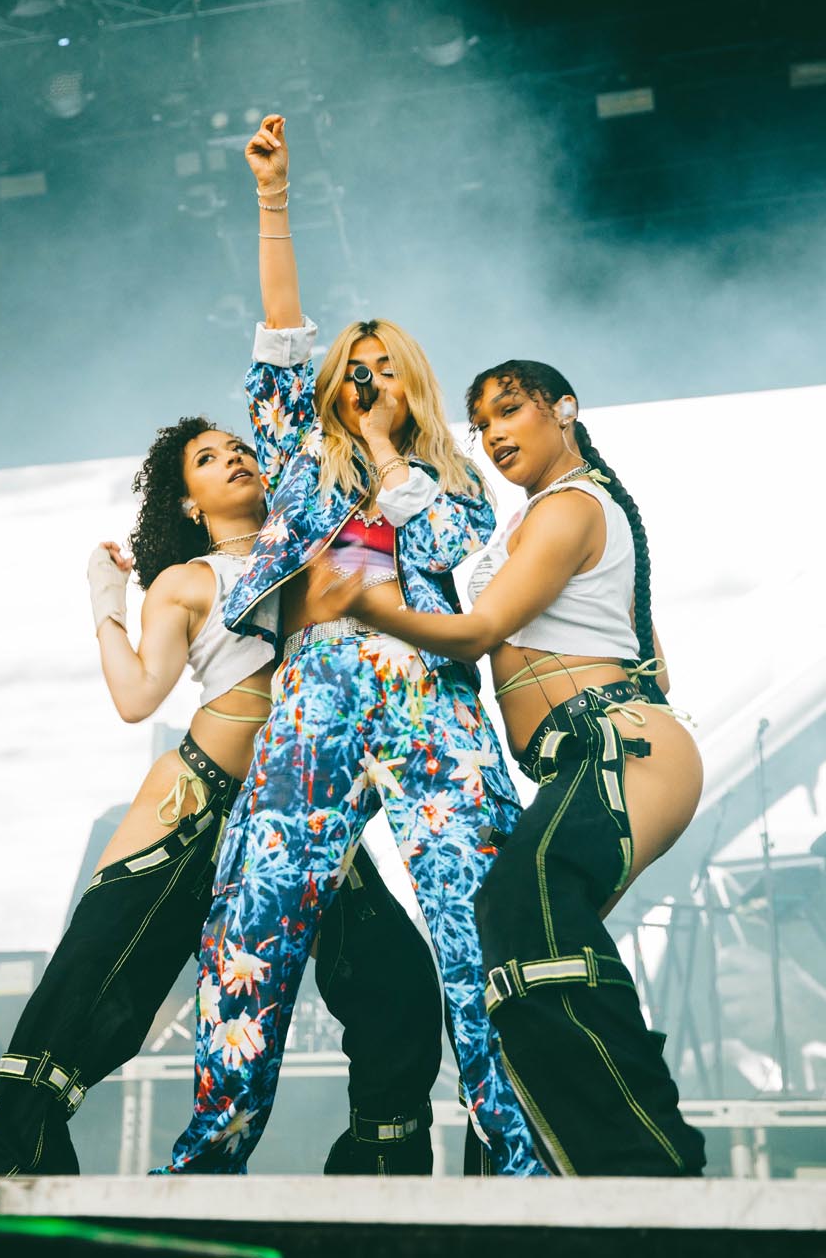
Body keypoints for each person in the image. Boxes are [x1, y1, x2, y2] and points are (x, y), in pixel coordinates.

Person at [159, 116, 540, 1176]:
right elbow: (283, 330)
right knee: (255, 925)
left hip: (429, 697)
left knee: (479, 926)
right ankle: (209, 1158)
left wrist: (389, 453)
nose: (366, 380)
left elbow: (452, 552)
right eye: (352, 369)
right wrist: (273, 197)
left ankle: (519, 1157)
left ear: (411, 384)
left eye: (385, 369)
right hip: (317, 689)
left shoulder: (455, 478)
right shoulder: (294, 452)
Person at [0, 417, 443, 1178]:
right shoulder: (187, 581)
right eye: (207, 458)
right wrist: (106, 598)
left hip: (299, 815)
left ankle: (383, 1171)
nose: (232, 458)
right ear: (189, 502)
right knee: (92, 984)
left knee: (397, 983)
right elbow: (137, 697)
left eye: (240, 448)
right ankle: (9, 1158)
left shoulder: (317, 556)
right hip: (196, 802)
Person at [306, 359, 707, 1176]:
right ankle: (560, 1160)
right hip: (595, 748)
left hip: (615, 744)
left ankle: (648, 1162)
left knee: (519, 907)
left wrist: (369, 604)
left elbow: (479, 631)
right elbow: (654, 659)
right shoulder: (544, 517)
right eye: (481, 423)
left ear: (565, 410)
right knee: (523, 942)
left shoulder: (570, 507)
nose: (492, 434)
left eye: (510, 410)